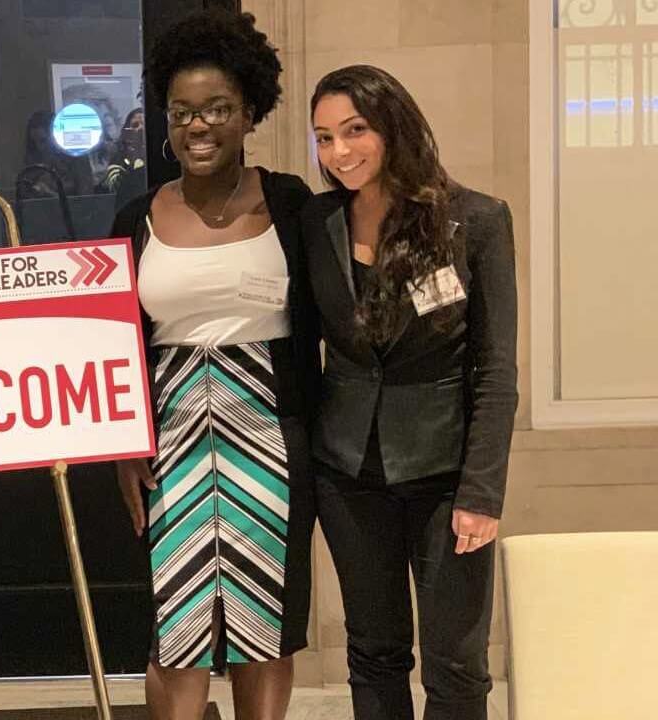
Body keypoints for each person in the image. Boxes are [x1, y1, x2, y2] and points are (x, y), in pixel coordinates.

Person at [109, 10, 320, 720]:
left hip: (270, 435)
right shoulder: (134, 216)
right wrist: (122, 447)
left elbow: (328, 322)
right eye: (182, 112)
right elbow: (115, 343)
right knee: (177, 625)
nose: (199, 126)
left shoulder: (290, 203)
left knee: (266, 624)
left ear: (250, 112)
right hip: (168, 443)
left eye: (218, 109)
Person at [304, 64, 517, 720]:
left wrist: (482, 493)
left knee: (456, 663)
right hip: (347, 473)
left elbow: (497, 369)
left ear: (392, 126)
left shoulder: (475, 220)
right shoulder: (316, 222)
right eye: (323, 137)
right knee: (373, 652)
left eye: (355, 130)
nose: (339, 152)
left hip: (446, 476)